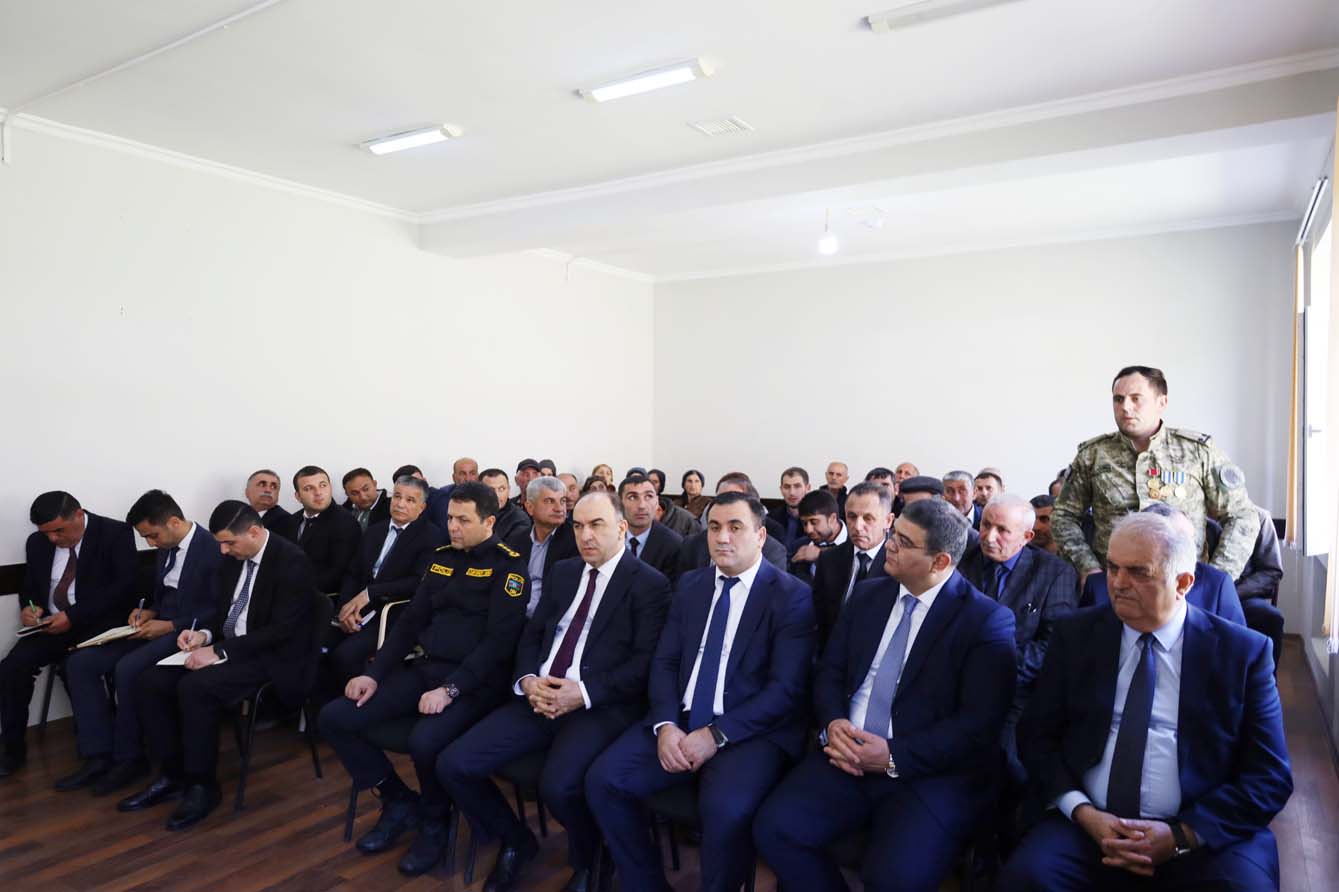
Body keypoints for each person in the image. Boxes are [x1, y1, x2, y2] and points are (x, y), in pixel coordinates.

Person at [997, 513, 1292, 892]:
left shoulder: (1241, 653)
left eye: (1138, 572)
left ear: (1183, 583)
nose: (1118, 583)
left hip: (1202, 832)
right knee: (1025, 879)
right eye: (1112, 568)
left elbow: (1269, 776)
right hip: (1088, 825)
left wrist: (1182, 835)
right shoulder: (1077, 636)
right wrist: (1083, 813)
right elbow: (1036, 737)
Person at [753, 498, 1018, 891]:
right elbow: (831, 671)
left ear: (940, 561)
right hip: (846, 754)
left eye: (904, 542)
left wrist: (893, 756)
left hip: (925, 772)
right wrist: (833, 723)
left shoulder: (985, 621)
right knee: (774, 829)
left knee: (894, 879)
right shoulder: (868, 595)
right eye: (894, 534)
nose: (889, 544)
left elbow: (977, 725)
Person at [439, 492, 672, 892]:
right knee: (454, 764)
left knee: (558, 786)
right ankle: (517, 841)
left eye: (596, 525)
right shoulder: (564, 572)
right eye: (578, 526)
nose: (585, 535)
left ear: (620, 528)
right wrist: (528, 679)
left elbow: (644, 663)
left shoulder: (648, 583)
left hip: (597, 705)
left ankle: (591, 859)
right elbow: (532, 635)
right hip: (539, 694)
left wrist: (582, 693)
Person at [586, 492, 816, 892]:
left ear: (761, 536)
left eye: (735, 527)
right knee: (604, 781)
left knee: (724, 812)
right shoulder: (691, 585)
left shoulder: (790, 595)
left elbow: (784, 691)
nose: (722, 537)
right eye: (714, 527)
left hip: (748, 731)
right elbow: (665, 663)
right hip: (680, 720)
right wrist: (665, 725)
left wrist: (716, 735)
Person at [318, 482, 529, 876]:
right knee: (336, 717)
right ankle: (399, 801)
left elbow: (499, 644)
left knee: (425, 740)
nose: (453, 527)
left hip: (476, 683)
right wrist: (374, 674)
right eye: (450, 518)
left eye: (463, 520)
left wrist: (451, 689)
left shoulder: (509, 567)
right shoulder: (442, 559)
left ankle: (435, 822)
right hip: (428, 669)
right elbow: (410, 623)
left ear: (489, 522)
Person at [123, 501, 317, 830]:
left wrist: (219, 651)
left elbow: (281, 631)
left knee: (195, 688)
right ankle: (172, 775)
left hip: (272, 656)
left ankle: (203, 786)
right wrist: (203, 634)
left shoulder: (291, 561)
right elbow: (223, 611)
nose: (223, 551)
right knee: (150, 681)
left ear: (253, 532)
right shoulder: (233, 558)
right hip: (233, 646)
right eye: (221, 544)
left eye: (229, 543)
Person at [59, 490, 223, 796]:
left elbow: (218, 609)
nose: (150, 543)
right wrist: (148, 611)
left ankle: (130, 758)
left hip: (187, 633)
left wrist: (170, 625)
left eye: (152, 535)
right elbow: (165, 595)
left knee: (128, 669)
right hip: (157, 625)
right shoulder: (167, 546)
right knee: (80, 664)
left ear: (174, 522)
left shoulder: (214, 549)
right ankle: (98, 754)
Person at [1052, 365, 1258, 581]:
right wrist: (1088, 569)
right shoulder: (1093, 454)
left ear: (1162, 403)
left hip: (1183, 585)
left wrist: (1217, 577)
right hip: (1115, 583)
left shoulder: (1198, 451)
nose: (1125, 407)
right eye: (1118, 399)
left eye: (1136, 399)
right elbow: (1063, 516)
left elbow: (1242, 515)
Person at [1, 492, 137, 779]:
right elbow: (30, 587)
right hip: (50, 626)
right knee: (11, 669)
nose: (53, 539)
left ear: (78, 514)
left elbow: (122, 589)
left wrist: (74, 616)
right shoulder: (37, 542)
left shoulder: (114, 533)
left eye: (59, 531)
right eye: (46, 533)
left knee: (75, 667)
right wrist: (30, 608)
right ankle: (11, 751)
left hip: (96, 625)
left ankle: (97, 752)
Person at [957, 493, 1078, 780]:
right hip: (955, 680)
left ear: (1026, 537)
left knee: (1010, 764)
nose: (989, 537)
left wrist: (995, 673)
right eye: (986, 525)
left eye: (1002, 530)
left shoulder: (1054, 573)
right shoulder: (961, 559)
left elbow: (1052, 644)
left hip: (1016, 689)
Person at [330, 476, 442, 683]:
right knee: (317, 643)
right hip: (359, 609)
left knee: (345, 656)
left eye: (410, 500)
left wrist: (370, 593)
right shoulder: (375, 530)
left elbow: (417, 582)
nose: (400, 504)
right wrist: (345, 608)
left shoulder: (433, 537)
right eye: (397, 496)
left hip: (393, 614)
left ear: (422, 507)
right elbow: (353, 573)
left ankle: (349, 700)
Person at [1083, 504, 1246, 626]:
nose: (1119, 583)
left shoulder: (1216, 585)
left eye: (1185, 542)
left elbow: (1234, 645)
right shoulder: (1098, 587)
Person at [811, 482, 893, 649]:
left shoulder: (899, 566)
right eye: (852, 516)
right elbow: (820, 618)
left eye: (868, 518)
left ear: (888, 521)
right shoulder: (829, 559)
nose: (857, 526)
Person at [277, 465, 362, 594]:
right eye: (308, 488)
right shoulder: (292, 520)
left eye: (323, 485)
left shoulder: (345, 522)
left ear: (330, 488)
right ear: (298, 496)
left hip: (321, 596)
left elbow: (338, 574)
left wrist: (294, 589)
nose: (318, 493)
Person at [678, 474, 789, 572]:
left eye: (734, 499)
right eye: (721, 500)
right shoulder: (691, 545)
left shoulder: (773, 551)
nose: (722, 538)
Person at [517, 476, 579, 618]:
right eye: (549, 501)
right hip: (515, 616)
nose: (559, 508)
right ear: (530, 507)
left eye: (562, 501)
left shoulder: (575, 540)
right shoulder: (517, 539)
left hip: (551, 619)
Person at [620, 474, 683, 581]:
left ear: (657, 502)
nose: (642, 505)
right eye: (632, 497)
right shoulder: (608, 539)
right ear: (619, 503)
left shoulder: (673, 545)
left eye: (648, 496)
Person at [790, 490, 846, 579]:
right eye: (804, 523)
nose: (808, 530)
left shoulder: (856, 543)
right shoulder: (799, 545)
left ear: (832, 519)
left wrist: (823, 555)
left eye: (814, 522)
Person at [482, 467, 532, 545]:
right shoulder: (471, 513)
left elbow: (511, 551)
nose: (496, 495)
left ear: (508, 490)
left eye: (501, 489)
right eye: (490, 490)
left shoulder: (519, 520)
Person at [768, 467, 812, 556]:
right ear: (781, 489)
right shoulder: (770, 518)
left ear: (808, 488)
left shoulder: (817, 520)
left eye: (797, 486)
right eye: (787, 487)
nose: (792, 492)